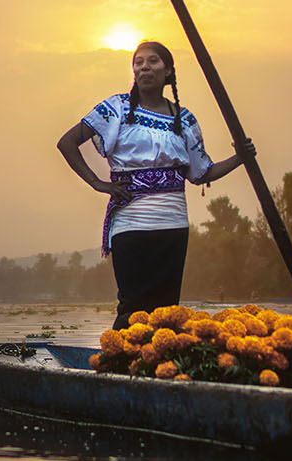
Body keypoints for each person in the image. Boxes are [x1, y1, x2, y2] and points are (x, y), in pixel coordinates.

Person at [56, 38, 251, 327]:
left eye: (152, 61)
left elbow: (202, 173)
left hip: (173, 224)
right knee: (132, 308)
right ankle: (121, 354)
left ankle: (160, 354)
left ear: (168, 71)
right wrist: (98, 183)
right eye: (138, 62)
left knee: (167, 311)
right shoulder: (116, 108)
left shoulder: (184, 120)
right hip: (131, 222)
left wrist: (240, 158)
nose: (144, 67)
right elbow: (67, 143)